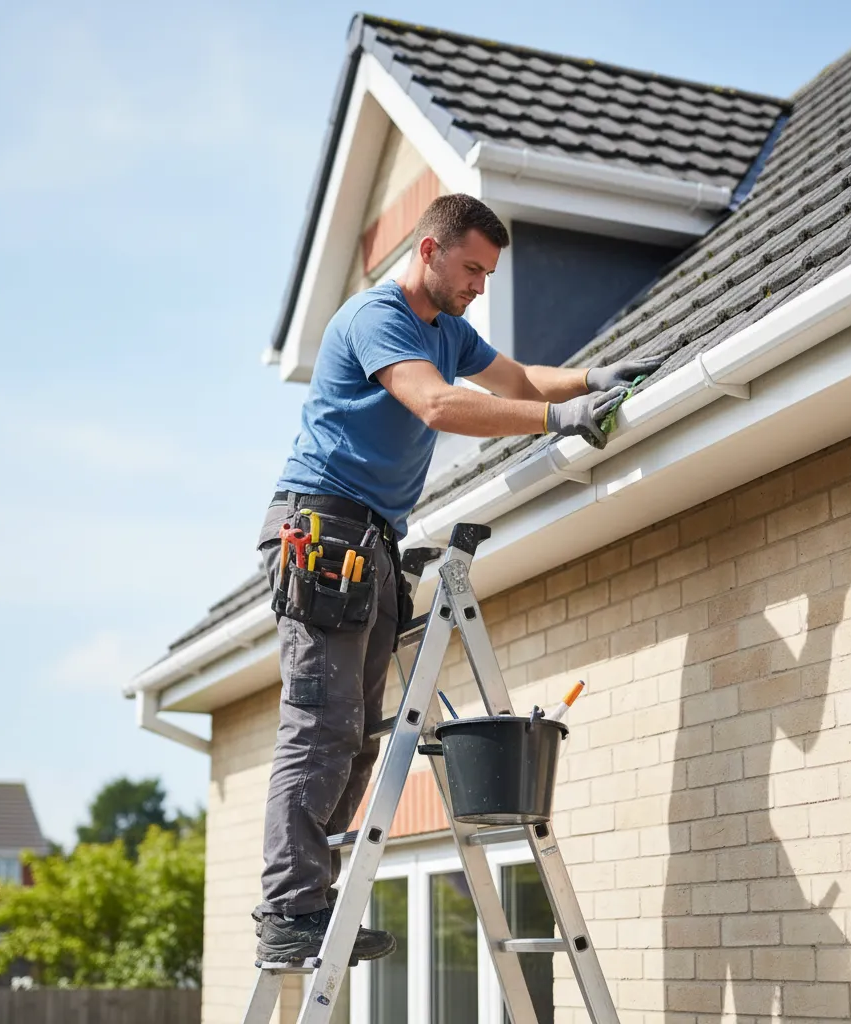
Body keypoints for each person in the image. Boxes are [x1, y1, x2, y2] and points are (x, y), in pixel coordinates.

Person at [253, 193, 661, 963]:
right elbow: (438, 407)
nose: (481, 285)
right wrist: (557, 423)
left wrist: (591, 380)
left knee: (357, 741)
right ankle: (288, 914)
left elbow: (520, 379)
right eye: (472, 268)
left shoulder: (449, 332)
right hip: (322, 530)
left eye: (490, 273)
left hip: (370, 538)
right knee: (320, 724)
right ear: (430, 251)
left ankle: (313, 901)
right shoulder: (380, 319)